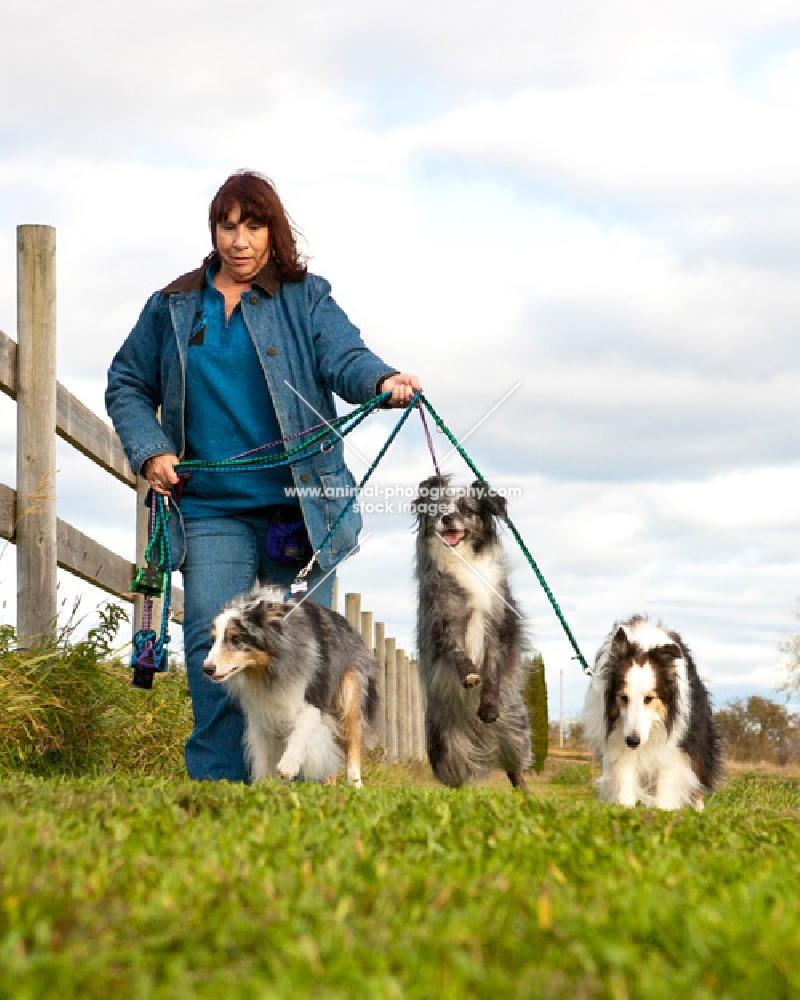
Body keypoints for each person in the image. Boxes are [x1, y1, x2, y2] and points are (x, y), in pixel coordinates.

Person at [106, 171, 421, 782]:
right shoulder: (172, 304)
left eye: (253, 226)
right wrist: (151, 450)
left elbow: (345, 358)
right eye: (228, 226)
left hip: (300, 510)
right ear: (214, 231)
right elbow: (126, 382)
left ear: (273, 234)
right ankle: (220, 786)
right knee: (209, 638)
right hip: (210, 508)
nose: (240, 241)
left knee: (303, 657)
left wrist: (382, 382)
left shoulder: (307, 298)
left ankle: (306, 784)